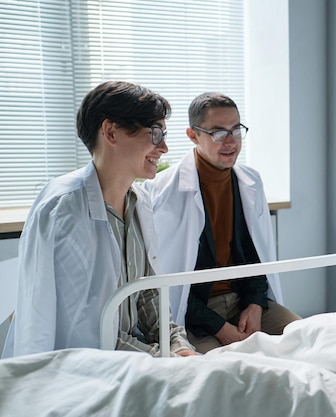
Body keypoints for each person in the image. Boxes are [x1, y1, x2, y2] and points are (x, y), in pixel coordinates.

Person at [3, 81, 197, 358]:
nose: (163, 147)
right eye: (155, 133)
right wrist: (162, 358)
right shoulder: (64, 209)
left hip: (136, 357)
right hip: (87, 365)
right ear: (110, 132)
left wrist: (177, 344)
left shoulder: (139, 201)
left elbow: (148, 295)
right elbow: (85, 332)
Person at [144, 92, 300, 353]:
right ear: (193, 135)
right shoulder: (161, 192)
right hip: (196, 315)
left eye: (236, 130)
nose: (230, 141)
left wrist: (255, 304)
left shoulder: (251, 181)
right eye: (217, 132)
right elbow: (169, 282)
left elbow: (256, 256)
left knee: (305, 338)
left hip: (244, 303)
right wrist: (218, 326)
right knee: (223, 372)